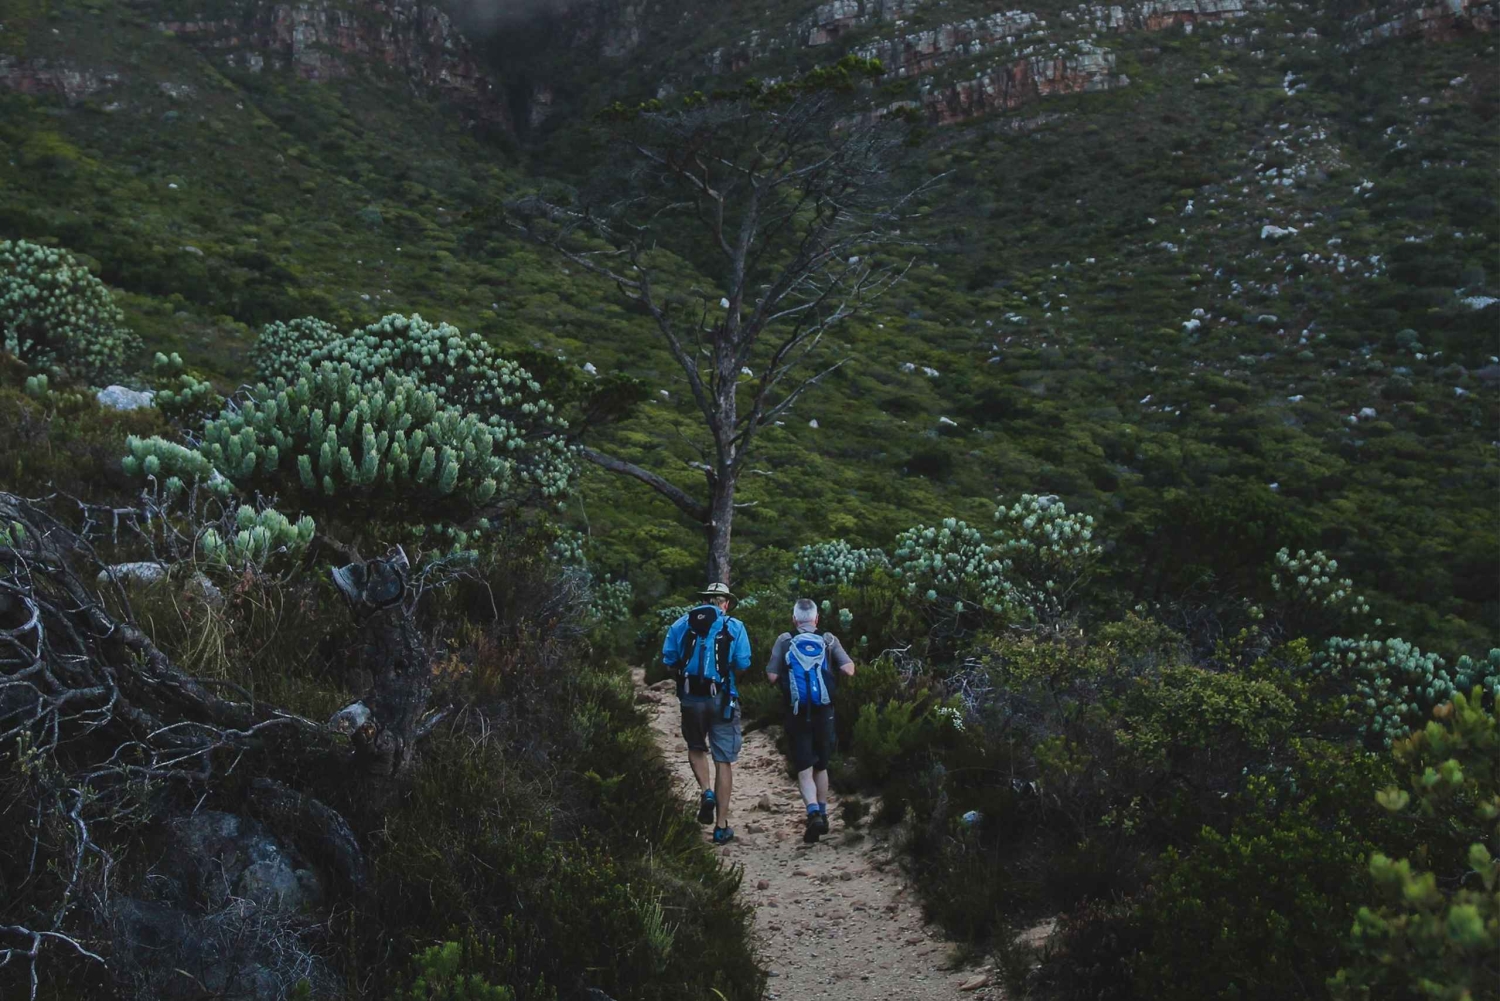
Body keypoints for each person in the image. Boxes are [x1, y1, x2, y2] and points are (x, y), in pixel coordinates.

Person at [661, 582, 752, 845]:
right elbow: (744, 662)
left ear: (705, 600)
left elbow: (668, 659)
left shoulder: (681, 624)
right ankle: (721, 826)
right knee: (723, 759)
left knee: (696, 746)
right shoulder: (735, 626)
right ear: (725, 602)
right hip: (723, 698)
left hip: (691, 698)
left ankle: (706, 791)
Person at [765, 598, 855, 844]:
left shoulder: (784, 640)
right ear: (816, 618)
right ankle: (823, 813)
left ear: (794, 619)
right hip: (824, 710)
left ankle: (812, 812)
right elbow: (849, 669)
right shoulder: (828, 639)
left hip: (796, 712)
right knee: (821, 766)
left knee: (804, 768)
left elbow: (772, 676)